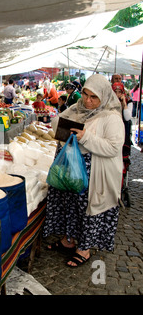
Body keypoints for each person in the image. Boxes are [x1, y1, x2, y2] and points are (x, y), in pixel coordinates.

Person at [43, 74, 124, 267]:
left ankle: (84, 249)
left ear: (104, 96)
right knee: (69, 204)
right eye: (85, 94)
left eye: (93, 97)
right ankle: (68, 240)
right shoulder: (76, 107)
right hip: (71, 168)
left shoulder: (111, 117)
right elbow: (58, 123)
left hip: (93, 172)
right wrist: (64, 123)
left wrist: (86, 136)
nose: (87, 100)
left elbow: (113, 148)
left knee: (87, 209)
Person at [112, 82, 132, 160]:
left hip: (124, 129)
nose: (117, 94)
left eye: (119, 92)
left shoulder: (128, 100)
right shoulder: (108, 102)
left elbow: (127, 117)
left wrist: (124, 103)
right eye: (115, 92)